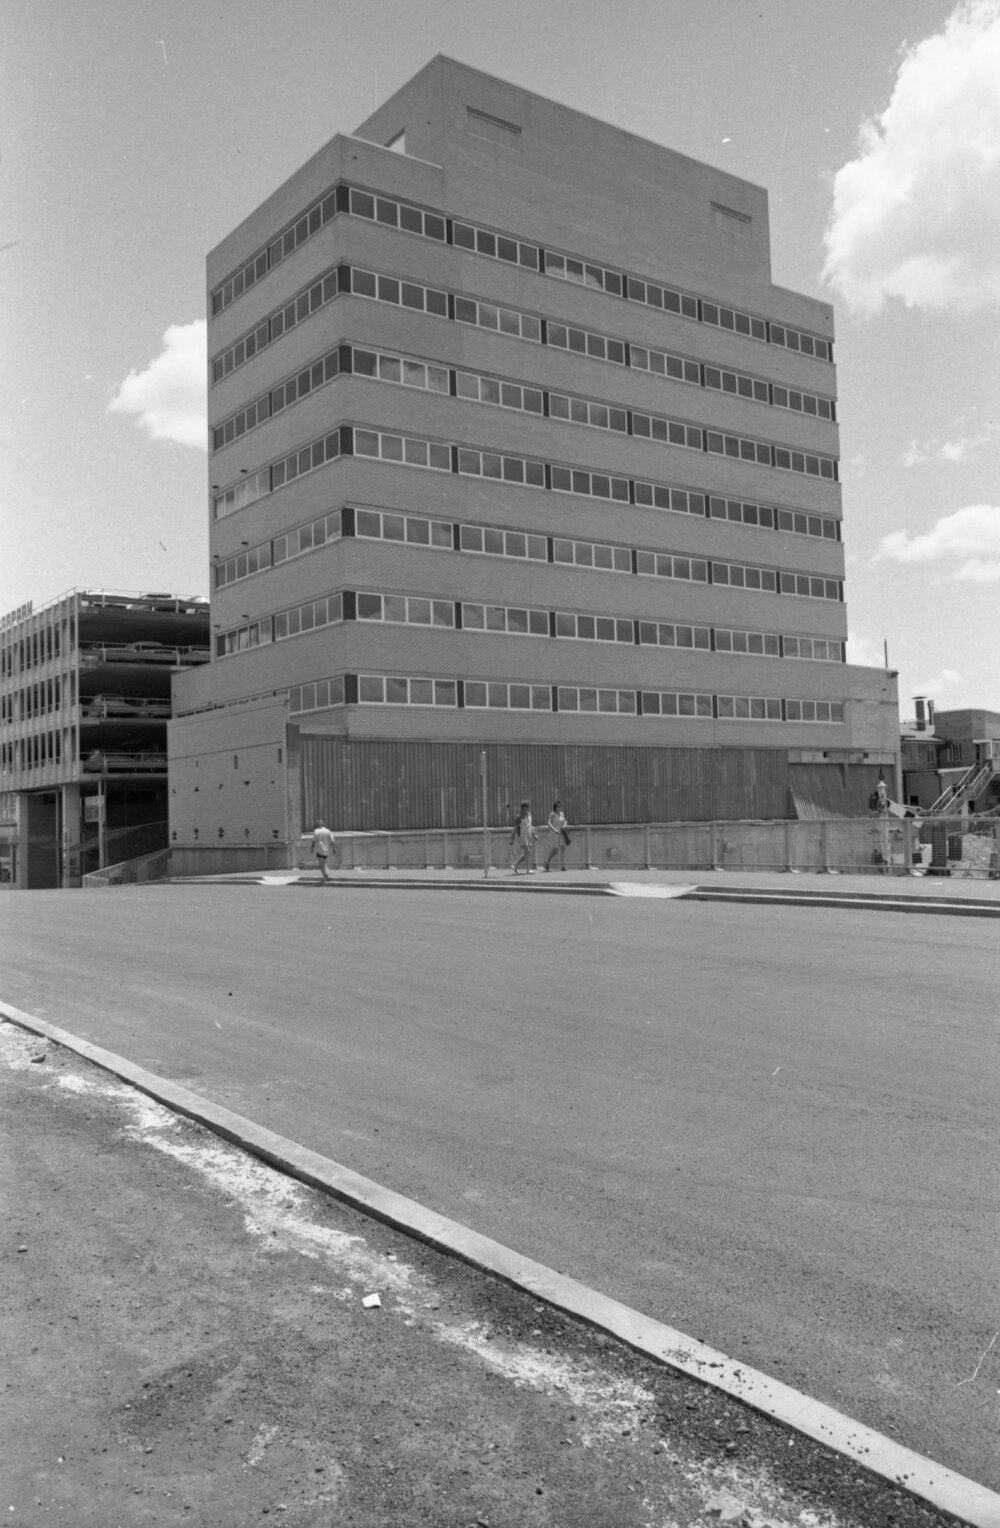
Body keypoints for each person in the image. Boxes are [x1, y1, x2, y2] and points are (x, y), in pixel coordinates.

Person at [509, 800, 536, 874]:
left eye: (528, 808)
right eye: (527, 808)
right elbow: (515, 829)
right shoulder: (519, 817)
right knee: (527, 851)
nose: (528, 809)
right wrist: (511, 839)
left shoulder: (529, 815)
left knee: (527, 853)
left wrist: (534, 835)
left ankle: (515, 865)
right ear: (523, 808)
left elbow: (530, 825)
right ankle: (528, 870)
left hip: (529, 835)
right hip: (522, 835)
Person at [545, 799, 569, 871]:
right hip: (554, 833)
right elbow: (549, 823)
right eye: (558, 807)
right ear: (555, 807)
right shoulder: (552, 814)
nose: (559, 808)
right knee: (555, 850)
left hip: (561, 833)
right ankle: (547, 862)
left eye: (560, 807)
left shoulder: (562, 814)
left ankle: (563, 866)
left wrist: (565, 825)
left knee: (563, 847)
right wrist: (554, 829)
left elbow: (565, 821)